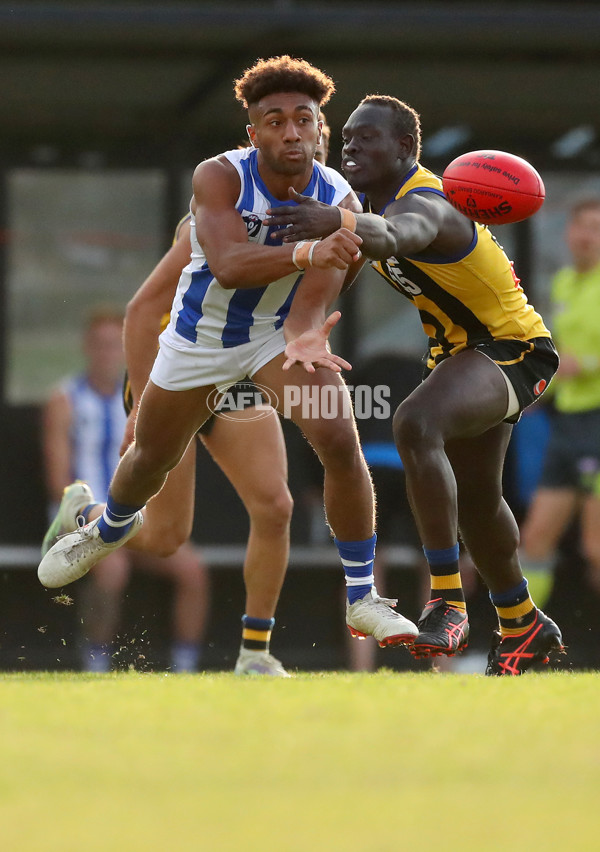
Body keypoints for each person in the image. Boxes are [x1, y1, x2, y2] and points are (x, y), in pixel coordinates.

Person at [39, 56, 419, 654]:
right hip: (197, 344)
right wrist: (136, 399)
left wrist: (309, 332)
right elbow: (226, 268)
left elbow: (324, 283)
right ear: (253, 133)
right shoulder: (219, 179)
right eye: (275, 121)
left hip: (269, 340)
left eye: (304, 120)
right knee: (153, 485)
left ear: (321, 129)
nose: (291, 132)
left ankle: (348, 604)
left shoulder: (340, 195)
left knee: (325, 451)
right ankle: (102, 524)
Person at [264, 93, 564, 675]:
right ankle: (524, 622)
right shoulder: (364, 203)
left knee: (414, 422)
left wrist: (342, 221)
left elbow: (398, 234)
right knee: (478, 500)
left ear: (405, 148)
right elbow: (345, 259)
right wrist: (304, 326)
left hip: (512, 351)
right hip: (461, 355)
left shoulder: (429, 201)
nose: (351, 145)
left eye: (367, 137)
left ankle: (447, 602)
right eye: (346, 136)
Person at [41, 306, 208, 672]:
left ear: (125, 349)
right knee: (112, 567)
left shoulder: (143, 400)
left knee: (192, 570)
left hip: (133, 517)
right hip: (80, 517)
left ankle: (185, 668)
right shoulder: (64, 399)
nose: (106, 354)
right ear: (86, 347)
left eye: (113, 345)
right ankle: (95, 664)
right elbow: (59, 485)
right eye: (99, 345)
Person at [520, 197, 600, 592]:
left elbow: (577, 359)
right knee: (534, 540)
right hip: (567, 423)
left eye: (597, 229)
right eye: (582, 226)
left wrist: (585, 363)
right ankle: (526, 645)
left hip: (598, 421)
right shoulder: (565, 281)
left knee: (596, 548)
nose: (588, 236)